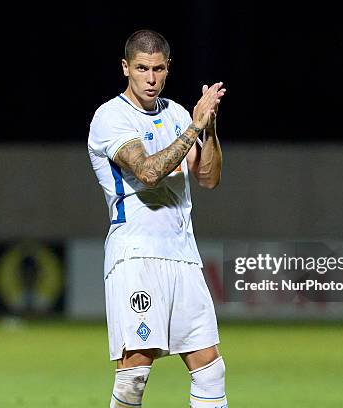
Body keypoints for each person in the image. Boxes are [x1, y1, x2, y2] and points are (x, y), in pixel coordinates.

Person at [88, 29, 227, 407]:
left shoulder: (177, 114)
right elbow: (148, 172)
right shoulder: (111, 117)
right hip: (136, 254)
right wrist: (194, 127)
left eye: (158, 69)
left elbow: (208, 177)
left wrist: (209, 127)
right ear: (125, 68)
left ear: (168, 69)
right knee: (134, 373)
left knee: (210, 368)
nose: (150, 78)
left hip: (183, 254)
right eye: (142, 68)